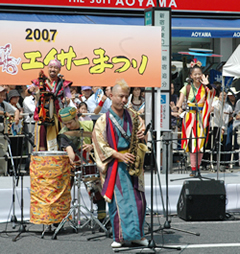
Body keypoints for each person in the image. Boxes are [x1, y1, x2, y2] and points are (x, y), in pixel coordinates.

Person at [92, 79, 148, 248]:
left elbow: (141, 134)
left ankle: (138, 235)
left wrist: (142, 134)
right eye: (121, 96)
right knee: (119, 202)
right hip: (115, 165)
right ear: (111, 95)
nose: (124, 100)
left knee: (139, 201)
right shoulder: (103, 120)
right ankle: (119, 237)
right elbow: (99, 144)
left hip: (134, 163)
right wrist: (117, 155)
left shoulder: (133, 115)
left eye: (126, 97)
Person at [58, 107, 107, 223]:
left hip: (88, 162)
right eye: (65, 124)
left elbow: (102, 140)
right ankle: (58, 220)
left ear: (76, 117)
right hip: (72, 164)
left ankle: (102, 219)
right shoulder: (63, 133)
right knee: (63, 190)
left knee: (96, 188)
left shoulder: (90, 125)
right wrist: (71, 160)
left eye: (70, 123)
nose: (68, 126)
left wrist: (93, 146)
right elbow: (70, 152)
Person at [172, 62, 215, 177]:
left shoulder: (205, 88)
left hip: (201, 118)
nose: (197, 76)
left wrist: (209, 85)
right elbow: (179, 103)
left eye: (199, 74)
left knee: (200, 145)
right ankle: (193, 169)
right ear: (191, 76)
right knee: (192, 144)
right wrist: (178, 108)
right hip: (190, 118)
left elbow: (212, 94)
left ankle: (198, 168)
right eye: (195, 74)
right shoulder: (187, 87)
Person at [27, 58, 72, 151]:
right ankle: (43, 161)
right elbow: (28, 91)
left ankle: (56, 161)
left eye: (55, 68)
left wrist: (66, 100)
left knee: (57, 140)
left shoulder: (63, 83)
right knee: (42, 140)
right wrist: (30, 90)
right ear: (48, 69)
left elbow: (68, 97)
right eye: (51, 67)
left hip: (57, 115)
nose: (52, 69)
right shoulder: (40, 81)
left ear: (59, 70)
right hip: (42, 114)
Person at [0, 86, 20, 175]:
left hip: (2, 133)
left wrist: (16, 117)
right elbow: (5, 113)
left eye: (4, 95)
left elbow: (16, 110)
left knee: (3, 153)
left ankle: (3, 173)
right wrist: (4, 113)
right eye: (1, 95)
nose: (3, 97)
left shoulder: (4, 104)